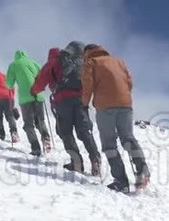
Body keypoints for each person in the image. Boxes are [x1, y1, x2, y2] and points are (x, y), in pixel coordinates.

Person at [82, 44, 150, 192]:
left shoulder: (90, 63)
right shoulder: (119, 61)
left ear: (87, 53)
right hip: (125, 104)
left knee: (109, 144)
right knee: (128, 138)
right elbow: (129, 82)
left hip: (105, 106)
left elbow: (87, 85)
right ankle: (142, 170)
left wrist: (84, 104)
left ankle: (121, 181)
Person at [32, 42, 101, 175]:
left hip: (63, 101)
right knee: (84, 131)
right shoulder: (76, 62)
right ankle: (95, 158)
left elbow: (39, 83)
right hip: (80, 99)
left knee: (66, 132)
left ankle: (76, 162)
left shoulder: (52, 63)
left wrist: (34, 91)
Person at [6, 50, 51, 156]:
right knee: (40, 121)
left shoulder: (13, 65)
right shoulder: (33, 62)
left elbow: (9, 84)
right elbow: (42, 75)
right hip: (38, 95)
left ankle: (36, 148)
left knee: (28, 124)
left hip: (25, 98)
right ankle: (46, 139)